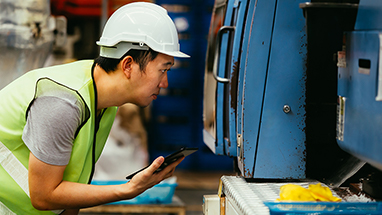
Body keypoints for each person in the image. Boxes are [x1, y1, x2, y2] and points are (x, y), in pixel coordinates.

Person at [0, 2, 190, 214]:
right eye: (163, 70)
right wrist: (128, 189)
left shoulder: (104, 103)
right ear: (128, 65)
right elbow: (44, 196)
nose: (165, 83)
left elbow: (71, 185)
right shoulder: (63, 102)